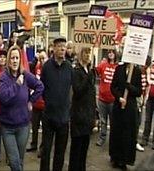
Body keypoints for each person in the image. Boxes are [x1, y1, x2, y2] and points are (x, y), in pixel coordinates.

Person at [0, 45, 44, 171]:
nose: (14, 61)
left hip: (23, 126)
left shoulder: (25, 75)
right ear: (8, 60)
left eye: (17, 58)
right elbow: (3, 97)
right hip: (8, 127)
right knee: (14, 161)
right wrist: (17, 85)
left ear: (20, 60)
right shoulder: (4, 77)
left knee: (20, 161)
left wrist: (31, 100)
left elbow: (40, 86)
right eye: (12, 58)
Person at [40, 36, 73, 171]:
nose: (62, 49)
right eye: (59, 46)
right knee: (46, 151)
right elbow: (42, 87)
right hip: (49, 116)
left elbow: (73, 88)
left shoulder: (69, 67)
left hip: (64, 118)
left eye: (64, 47)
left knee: (60, 153)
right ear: (53, 48)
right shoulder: (46, 67)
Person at [109, 62, 142, 170]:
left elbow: (139, 91)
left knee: (127, 133)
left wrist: (130, 87)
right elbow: (113, 86)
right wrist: (119, 98)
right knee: (116, 131)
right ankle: (115, 158)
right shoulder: (119, 69)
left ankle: (124, 160)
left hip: (130, 106)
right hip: (118, 105)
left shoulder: (137, 71)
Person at [68, 47, 96, 171]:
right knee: (76, 149)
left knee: (85, 148)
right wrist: (88, 77)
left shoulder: (90, 71)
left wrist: (95, 115)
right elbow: (78, 91)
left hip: (88, 114)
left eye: (89, 53)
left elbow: (92, 95)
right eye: (85, 52)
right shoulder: (76, 71)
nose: (88, 55)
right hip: (78, 115)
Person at [26, 50, 48, 153]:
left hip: (45, 103)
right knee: (34, 126)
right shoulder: (36, 67)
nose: (42, 60)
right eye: (40, 59)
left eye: (44, 58)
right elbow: (29, 67)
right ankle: (33, 144)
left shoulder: (49, 69)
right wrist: (35, 59)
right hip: (36, 102)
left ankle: (43, 147)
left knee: (45, 129)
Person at [95, 48, 118, 146]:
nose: (111, 54)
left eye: (112, 52)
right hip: (102, 99)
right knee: (103, 121)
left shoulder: (118, 67)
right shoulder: (103, 65)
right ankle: (102, 138)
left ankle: (113, 140)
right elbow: (94, 71)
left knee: (114, 122)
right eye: (109, 52)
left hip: (113, 99)